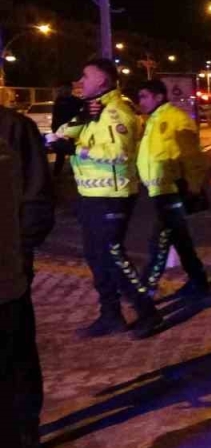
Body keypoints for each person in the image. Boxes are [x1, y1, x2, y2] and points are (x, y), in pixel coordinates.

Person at [49, 58, 160, 339]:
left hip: (112, 196)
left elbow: (118, 154)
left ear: (102, 81)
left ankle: (147, 311)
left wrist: (75, 149)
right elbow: (59, 135)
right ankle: (110, 315)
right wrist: (82, 117)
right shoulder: (94, 110)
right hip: (90, 195)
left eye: (85, 77)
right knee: (97, 257)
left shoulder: (117, 112)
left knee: (114, 257)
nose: (80, 82)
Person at [0, 103, 55, 448]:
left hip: (6, 283)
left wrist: (18, 255)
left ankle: (25, 433)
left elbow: (36, 202)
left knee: (16, 360)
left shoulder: (13, 130)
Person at [135, 80, 209, 299]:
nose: (141, 102)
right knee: (180, 240)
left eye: (144, 96)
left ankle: (145, 289)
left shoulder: (177, 119)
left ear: (159, 97)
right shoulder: (152, 120)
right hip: (159, 190)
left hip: (174, 189)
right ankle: (199, 281)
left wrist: (193, 188)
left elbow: (193, 158)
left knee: (159, 242)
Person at [51, 83, 83, 176]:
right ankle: (59, 173)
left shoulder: (63, 101)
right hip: (66, 129)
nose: (66, 91)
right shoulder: (62, 101)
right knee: (63, 153)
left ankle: (66, 172)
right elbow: (56, 117)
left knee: (69, 152)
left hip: (71, 128)